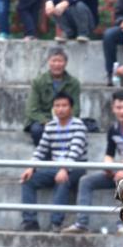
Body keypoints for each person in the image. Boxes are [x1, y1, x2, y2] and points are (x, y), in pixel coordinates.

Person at [62, 91, 123, 234]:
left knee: (122, 178)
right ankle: (81, 224)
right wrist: (109, 167)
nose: (122, 111)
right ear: (113, 109)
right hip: (122, 168)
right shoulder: (113, 130)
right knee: (86, 181)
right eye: (118, 108)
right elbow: (109, 154)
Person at [19, 92, 87, 232]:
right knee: (28, 180)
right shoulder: (50, 126)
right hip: (56, 167)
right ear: (53, 108)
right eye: (57, 105)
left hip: (76, 167)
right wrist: (31, 167)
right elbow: (41, 150)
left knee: (63, 180)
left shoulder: (79, 125)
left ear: (71, 108)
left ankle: (56, 223)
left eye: (64, 105)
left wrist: (64, 169)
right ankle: (30, 221)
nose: (60, 109)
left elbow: (75, 152)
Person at [23, 47, 81, 146]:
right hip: (42, 120)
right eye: (54, 61)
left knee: (78, 128)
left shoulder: (74, 83)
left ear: (65, 63)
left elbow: (76, 108)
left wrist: (63, 120)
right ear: (49, 62)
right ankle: (46, 159)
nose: (57, 64)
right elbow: (31, 110)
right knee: (37, 130)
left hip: (65, 118)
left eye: (60, 61)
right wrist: (47, 122)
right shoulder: (38, 81)